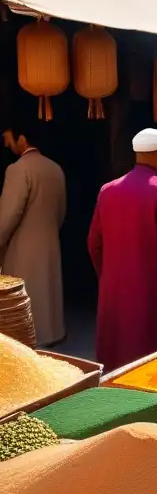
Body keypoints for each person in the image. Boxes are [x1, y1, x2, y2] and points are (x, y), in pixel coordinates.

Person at [88, 129, 157, 370]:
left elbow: (94, 245)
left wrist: (110, 277)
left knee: (119, 360)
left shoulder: (107, 191)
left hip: (117, 293)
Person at [0, 121, 66, 346]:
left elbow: (8, 215)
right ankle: (52, 335)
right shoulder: (55, 168)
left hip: (23, 248)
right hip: (50, 242)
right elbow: (61, 211)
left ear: (22, 139)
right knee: (48, 297)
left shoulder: (18, 169)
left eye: (9, 139)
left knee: (26, 298)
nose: (8, 145)